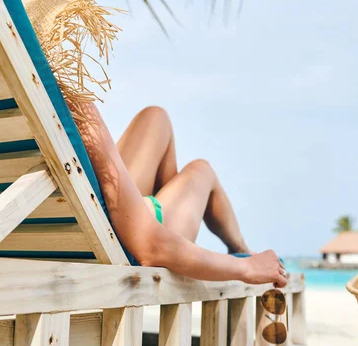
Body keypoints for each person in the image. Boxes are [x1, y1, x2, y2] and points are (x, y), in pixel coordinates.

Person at [72, 103, 288, 287]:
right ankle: (239, 248)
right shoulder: (74, 99)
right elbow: (151, 248)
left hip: (91, 212)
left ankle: (173, 205)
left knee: (155, 116)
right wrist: (247, 266)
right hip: (129, 235)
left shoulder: (45, 100)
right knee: (201, 170)